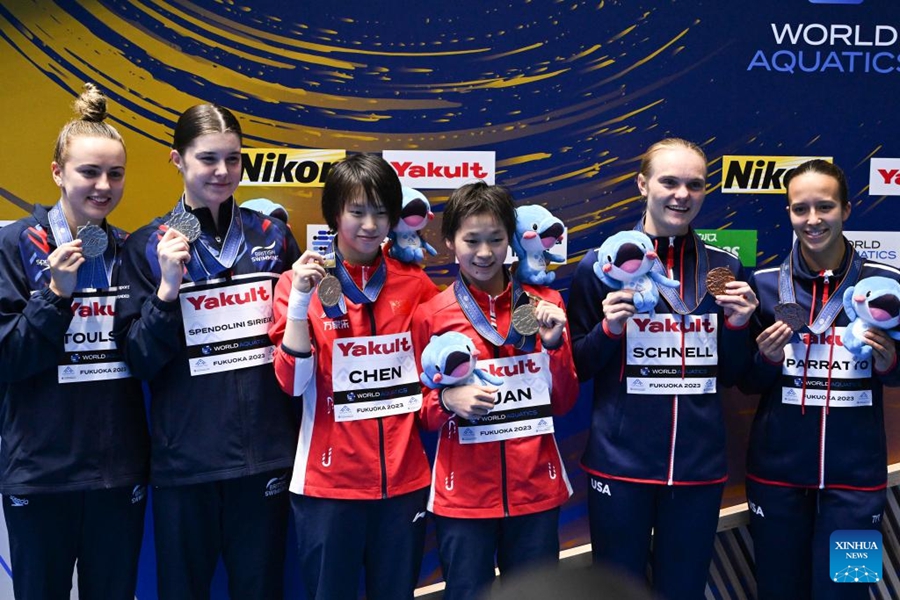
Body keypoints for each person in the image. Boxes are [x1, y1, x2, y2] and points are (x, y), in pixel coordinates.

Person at [112, 104, 301, 599]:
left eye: (233, 160)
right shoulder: (145, 246)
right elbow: (137, 360)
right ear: (177, 160)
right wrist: (167, 292)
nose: (222, 172)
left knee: (261, 590)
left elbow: (299, 340)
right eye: (208, 159)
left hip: (266, 454)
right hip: (186, 462)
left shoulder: (273, 237)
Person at [567, 138, 759, 599]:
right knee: (617, 592)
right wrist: (610, 331)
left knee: (684, 590)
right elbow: (578, 366)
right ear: (642, 185)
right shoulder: (600, 267)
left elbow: (735, 375)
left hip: (698, 469)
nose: (682, 194)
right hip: (620, 466)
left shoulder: (726, 269)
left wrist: (736, 325)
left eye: (694, 185)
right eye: (669, 181)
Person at [0, 83, 149, 599]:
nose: (103, 185)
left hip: (117, 471)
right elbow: (7, 360)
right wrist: (54, 297)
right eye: (89, 171)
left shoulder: (132, 250)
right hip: (41, 473)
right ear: (57, 173)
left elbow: (144, 356)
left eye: (115, 173)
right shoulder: (14, 245)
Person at [268, 153, 439, 600]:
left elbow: (438, 372)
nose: (369, 225)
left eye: (381, 212)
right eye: (357, 211)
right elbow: (291, 382)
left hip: (404, 483)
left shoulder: (416, 285)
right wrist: (303, 304)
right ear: (334, 214)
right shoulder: (297, 282)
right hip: (328, 486)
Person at [410, 182, 579, 599]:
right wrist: (448, 400)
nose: (484, 253)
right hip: (464, 499)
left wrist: (554, 346)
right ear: (450, 242)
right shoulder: (431, 314)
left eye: (495, 239)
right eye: (471, 240)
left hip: (535, 491)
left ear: (513, 240)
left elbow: (564, 401)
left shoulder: (545, 303)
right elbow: (419, 412)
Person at [740, 159, 899, 600]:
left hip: (857, 483)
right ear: (789, 213)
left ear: (847, 209)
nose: (812, 220)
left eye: (824, 207)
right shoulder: (766, 285)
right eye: (799, 209)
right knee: (778, 591)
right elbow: (749, 382)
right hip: (777, 477)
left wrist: (889, 363)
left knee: (848, 591)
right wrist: (766, 359)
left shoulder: (886, 286)